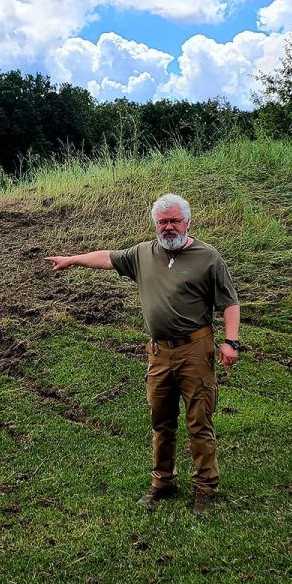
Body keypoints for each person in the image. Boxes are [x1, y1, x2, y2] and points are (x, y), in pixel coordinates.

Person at [47, 193, 241, 517]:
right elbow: (108, 258)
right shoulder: (142, 253)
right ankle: (162, 482)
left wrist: (231, 342)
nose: (168, 227)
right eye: (162, 222)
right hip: (159, 353)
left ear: (187, 222)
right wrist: (72, 259)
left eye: (174, 221)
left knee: (199, 422)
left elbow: (230, 303)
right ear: (155, 224)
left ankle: (205, 488)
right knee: (161, 422)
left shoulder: (207, 257)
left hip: (195, 350)